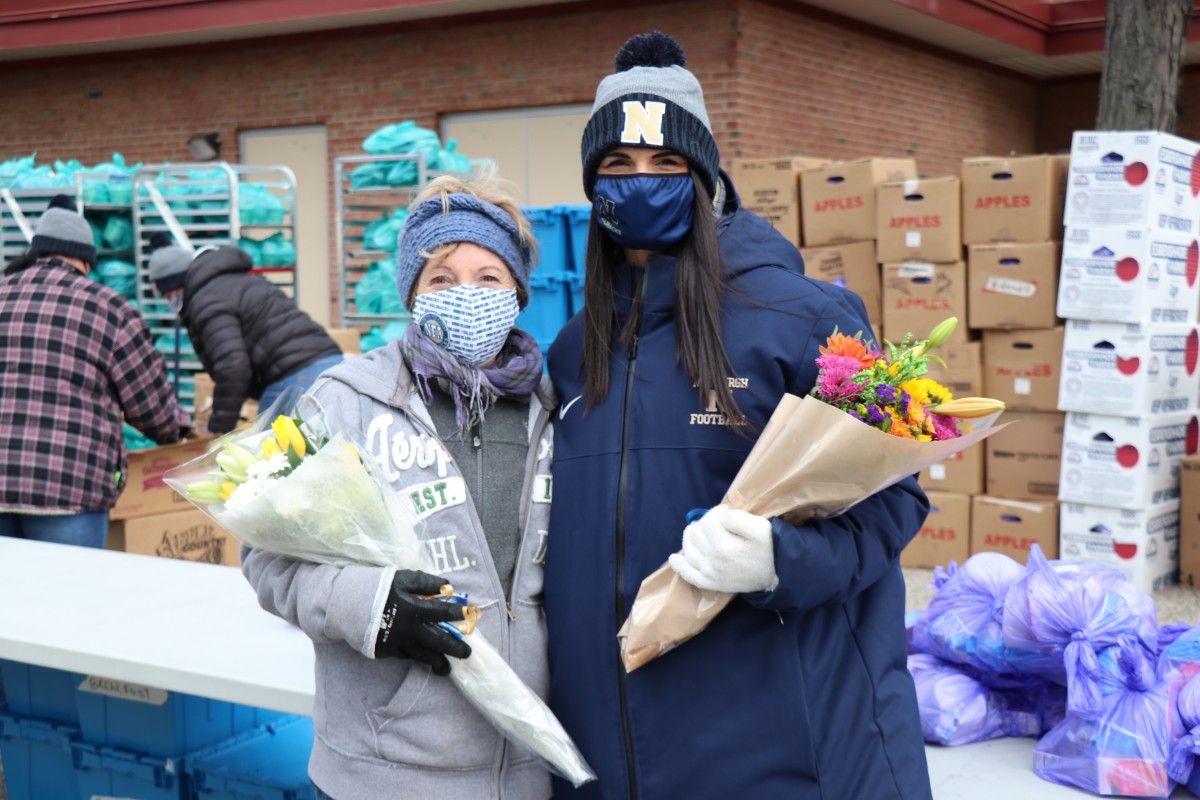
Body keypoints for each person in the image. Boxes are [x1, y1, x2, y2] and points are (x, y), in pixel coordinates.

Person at [543, 32, 933, 800]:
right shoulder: (570, 352)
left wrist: (778, 559)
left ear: (707, 178)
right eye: (616, 165)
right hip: (607, 756)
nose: (640, 182)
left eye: (666, 164)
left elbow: (896, 502)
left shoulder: (807, 317)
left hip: (770, 754)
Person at [239, 173, 556, 800]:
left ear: (518, 292)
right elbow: (268, 558)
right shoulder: (347, 400)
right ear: (412, 292)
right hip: (382, 773)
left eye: (488, 277)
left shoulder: (557, 407)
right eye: (441, 278)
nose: (465, 294)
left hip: (533, 765)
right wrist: (374, 608)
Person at [0, 195, 190, 547]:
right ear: (86, 261)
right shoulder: (108, 308)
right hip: (68, 487)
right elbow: (150, 406)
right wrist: (178, 429)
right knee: (72, 599)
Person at [147, 233, 344, 434]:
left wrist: (220, 428)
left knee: (271, 457)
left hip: (295, 375)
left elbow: (232, 365)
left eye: (168, 295)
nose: (169, 301)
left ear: (177, 285)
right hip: (329, 363)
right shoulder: (231, 282)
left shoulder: (206, 302)